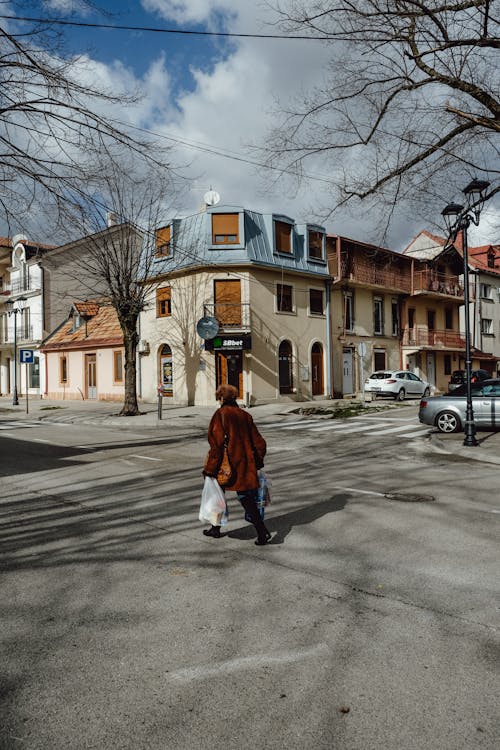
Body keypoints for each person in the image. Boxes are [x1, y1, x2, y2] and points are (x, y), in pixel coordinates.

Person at [203, 384, 271, 545]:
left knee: (217, 496)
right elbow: (260, 443)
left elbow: (216, 445)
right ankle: (261, 531)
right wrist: (256, 461)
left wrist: (210, 469)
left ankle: (217, 527)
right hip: (245, 465)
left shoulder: (220, 415)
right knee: (246, 498)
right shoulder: (245, 415)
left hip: (225, 465)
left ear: (221, 398)